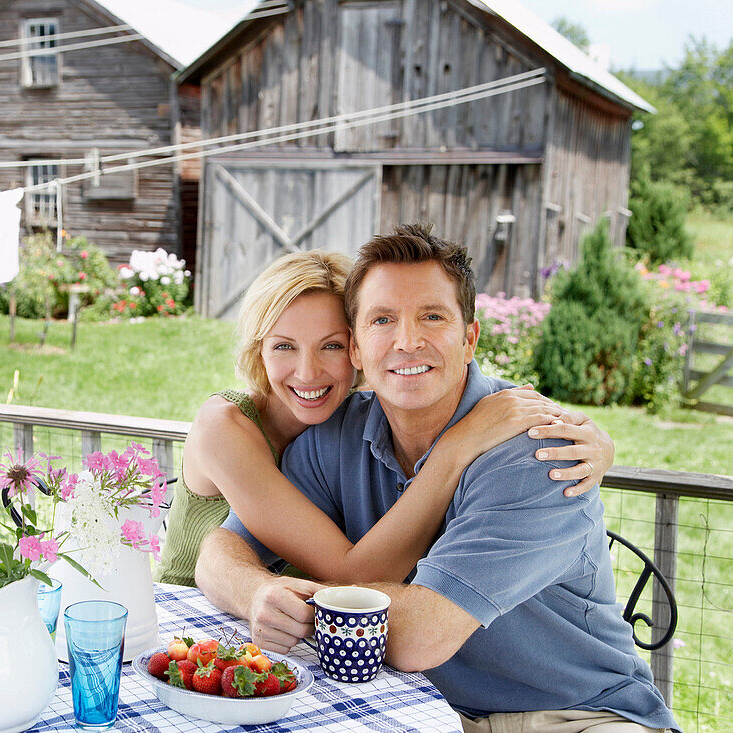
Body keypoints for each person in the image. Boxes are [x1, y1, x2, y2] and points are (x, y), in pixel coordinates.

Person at [195, 226, 678, 732]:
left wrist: (299, 607)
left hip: (575, 716)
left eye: (432, 316)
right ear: (358, 349)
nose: (407, 341)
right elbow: (219, 551)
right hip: (413, 708)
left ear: (470, 339)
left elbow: (418, 636)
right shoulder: (334, 435)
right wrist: (254, 592)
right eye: (383, 319)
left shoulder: (538, 455)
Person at [154, 249, 614, 591]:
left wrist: (594, 439)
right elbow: (350, 575)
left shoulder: (356, 412)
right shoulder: (226, 426)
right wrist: (454, 450)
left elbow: (438, 370)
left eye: (331, 345)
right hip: (195, 616)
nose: (308, 372)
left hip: (297, 638)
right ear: (258, 350)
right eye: (283, 346)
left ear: (356, 351)